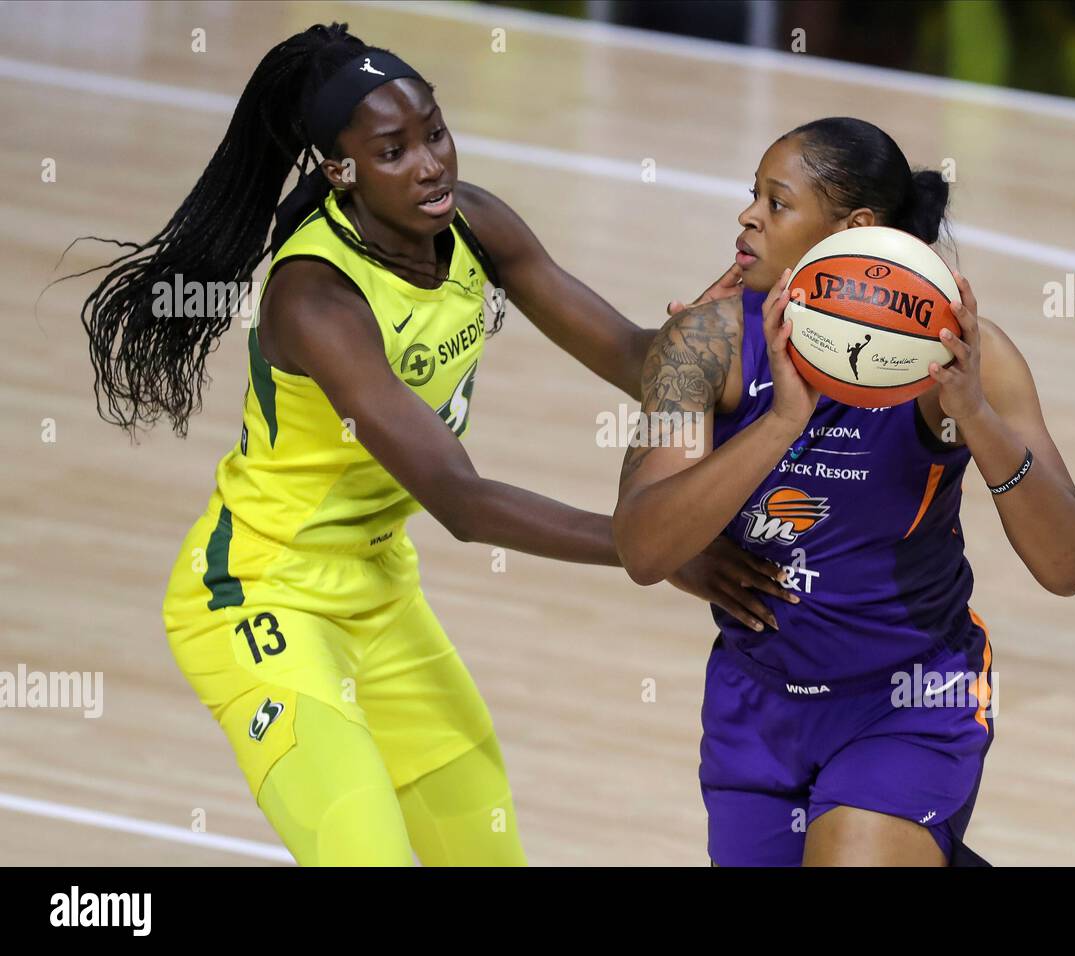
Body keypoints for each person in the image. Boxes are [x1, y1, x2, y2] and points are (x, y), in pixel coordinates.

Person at [68, 22, 786, 866]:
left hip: (378, 588)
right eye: (393, 150)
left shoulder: (476, 223)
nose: (431, 163)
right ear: (341, 171)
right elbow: (464, 502)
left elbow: (634, 358)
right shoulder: (317, 299)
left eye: (434, 132)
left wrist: (713, 330)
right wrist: (652, 548)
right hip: (261, 598)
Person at [613, 117, 1075, 866]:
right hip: (757, 705)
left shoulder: (968, 356)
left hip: (909, 700)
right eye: (752, 197)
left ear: (855, 231)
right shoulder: (704, 342)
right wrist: (780, 424)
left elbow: (1067, 565)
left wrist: (975, 417)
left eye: (776, 204)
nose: (746, 216)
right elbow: (643, 549)